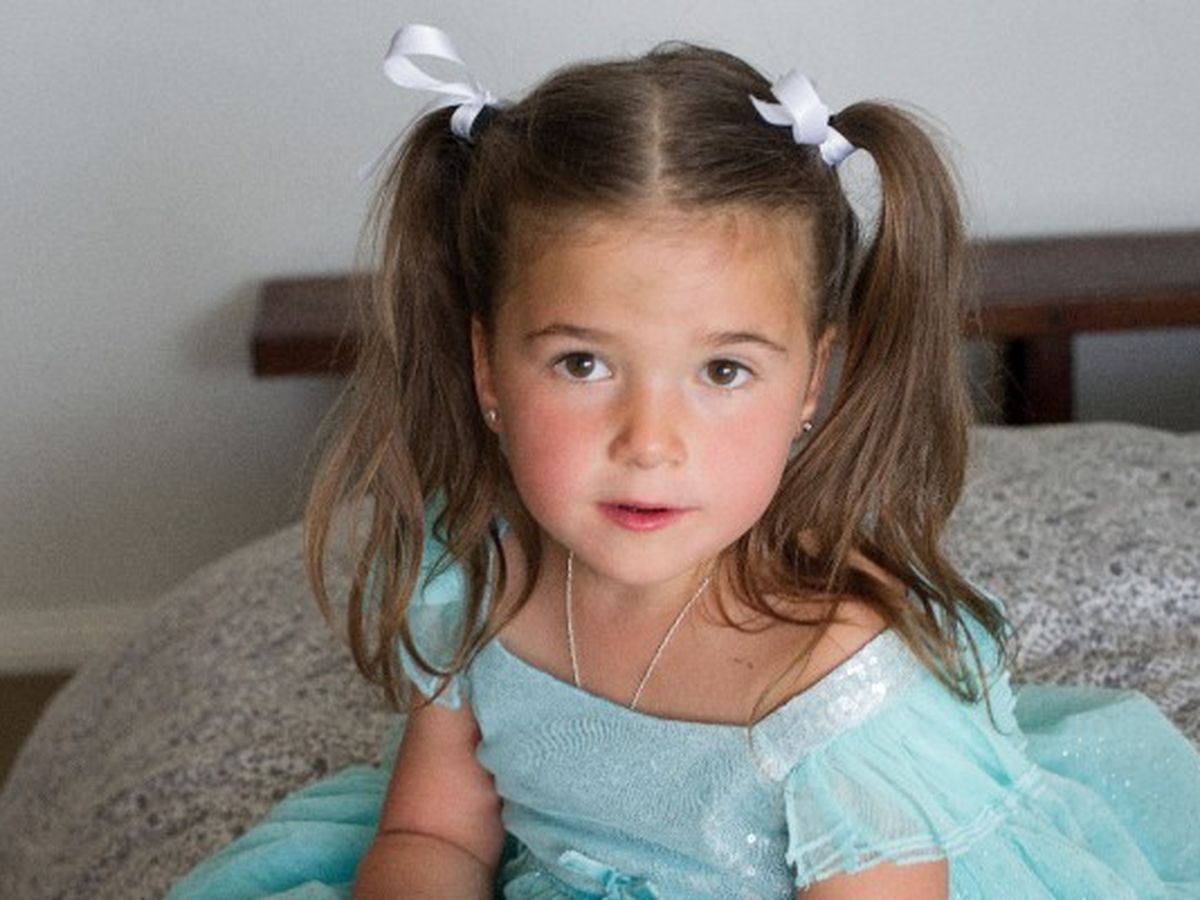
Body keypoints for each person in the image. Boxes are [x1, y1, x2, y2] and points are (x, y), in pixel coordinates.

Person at [168, 23, 1200, 900]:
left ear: (811, 381)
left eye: (723, 370)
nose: (650, 441)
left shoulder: (838, 689)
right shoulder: (479, 574)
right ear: (487, 367)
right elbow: (432, 834)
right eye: (582, 363)